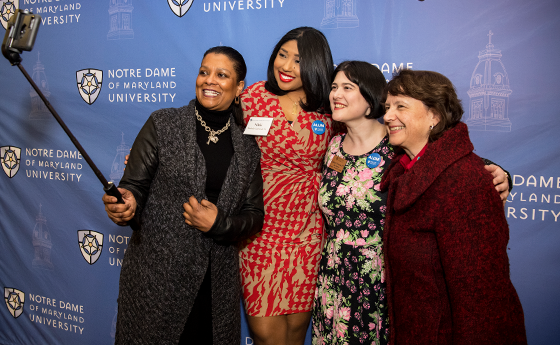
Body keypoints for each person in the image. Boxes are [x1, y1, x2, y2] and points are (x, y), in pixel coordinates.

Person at [102, 46, 264, 345]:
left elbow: (254, 216)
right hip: (157, 277)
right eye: (204, 72)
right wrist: (126, 203)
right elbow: (134, 186)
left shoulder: (247, 145)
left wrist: (219, 225)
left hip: (215, 283)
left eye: (221, 75)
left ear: (239, 87)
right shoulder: (163, 124)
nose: (209, 80)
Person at [380, 69, 526, 344]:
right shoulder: (407, 170)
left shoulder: (464, 182)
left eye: (401, 106)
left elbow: (481, 301)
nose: (387, 116)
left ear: (434, 116)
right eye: (387, 107)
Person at [238, 27, 335, 345]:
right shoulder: (253, 98)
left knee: (295, 331)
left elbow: (367, 144)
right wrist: (156, 152)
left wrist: (492, 169)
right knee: (265, 334)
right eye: (283, 55)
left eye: (299, 60)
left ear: (316, 65)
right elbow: (207, 126)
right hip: (260, 232)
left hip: (308, 234)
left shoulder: (331, 108)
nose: (287, 66)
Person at [312, 61, 392, 345]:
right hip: (333, 273)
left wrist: (500, 174)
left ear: (371, 99)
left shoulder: (396, 148)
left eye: (347, 87)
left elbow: (448, 166)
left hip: (375, 278)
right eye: (334, 87)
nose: (336, 94)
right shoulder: (333, 147)